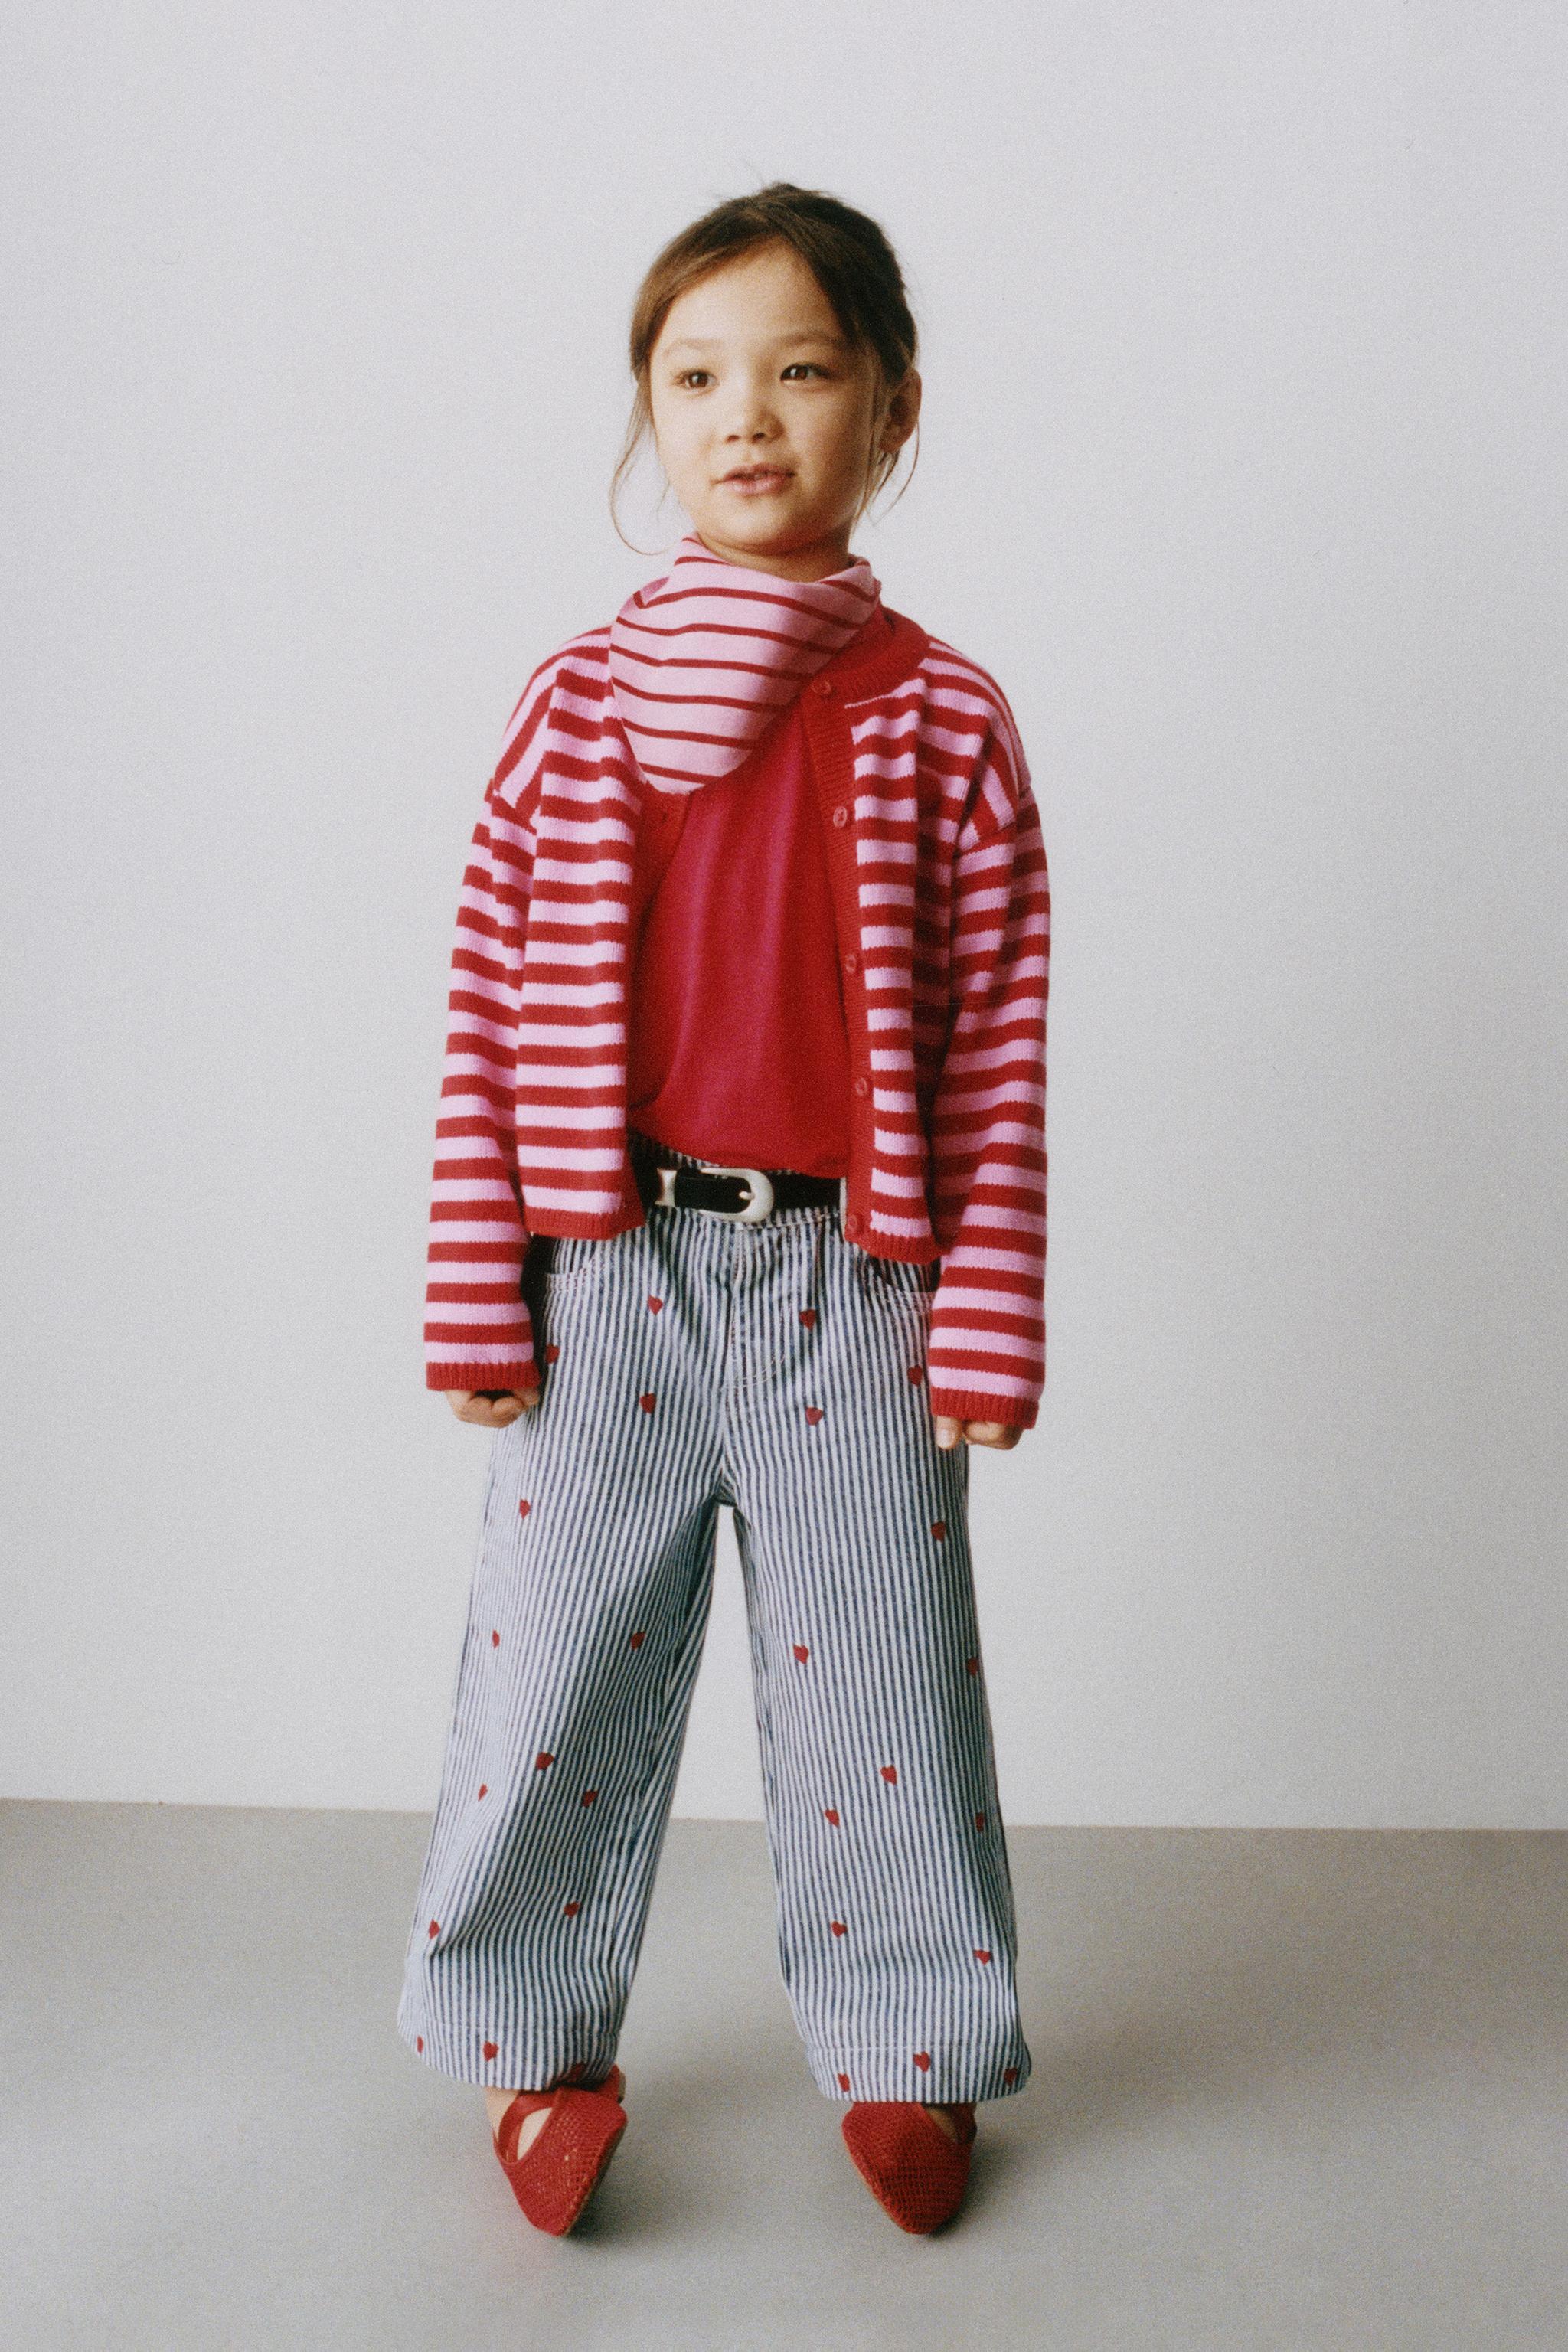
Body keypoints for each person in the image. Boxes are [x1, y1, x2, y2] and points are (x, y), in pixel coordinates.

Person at [399, 181, 1050, 2239]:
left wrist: (986, 1314)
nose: (743, 413)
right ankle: (531, 2057)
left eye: (799, 368)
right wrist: (478, 1301)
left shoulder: (947, 719)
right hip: (609, 1275)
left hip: (856, 1283)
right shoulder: (571, 709)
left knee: (882, 1686)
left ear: (890, 408)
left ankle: (911, 2057)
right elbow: (486, 1022)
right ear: (646, 418)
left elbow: (1001, 1039)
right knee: (553, 1669)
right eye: (694, 376)